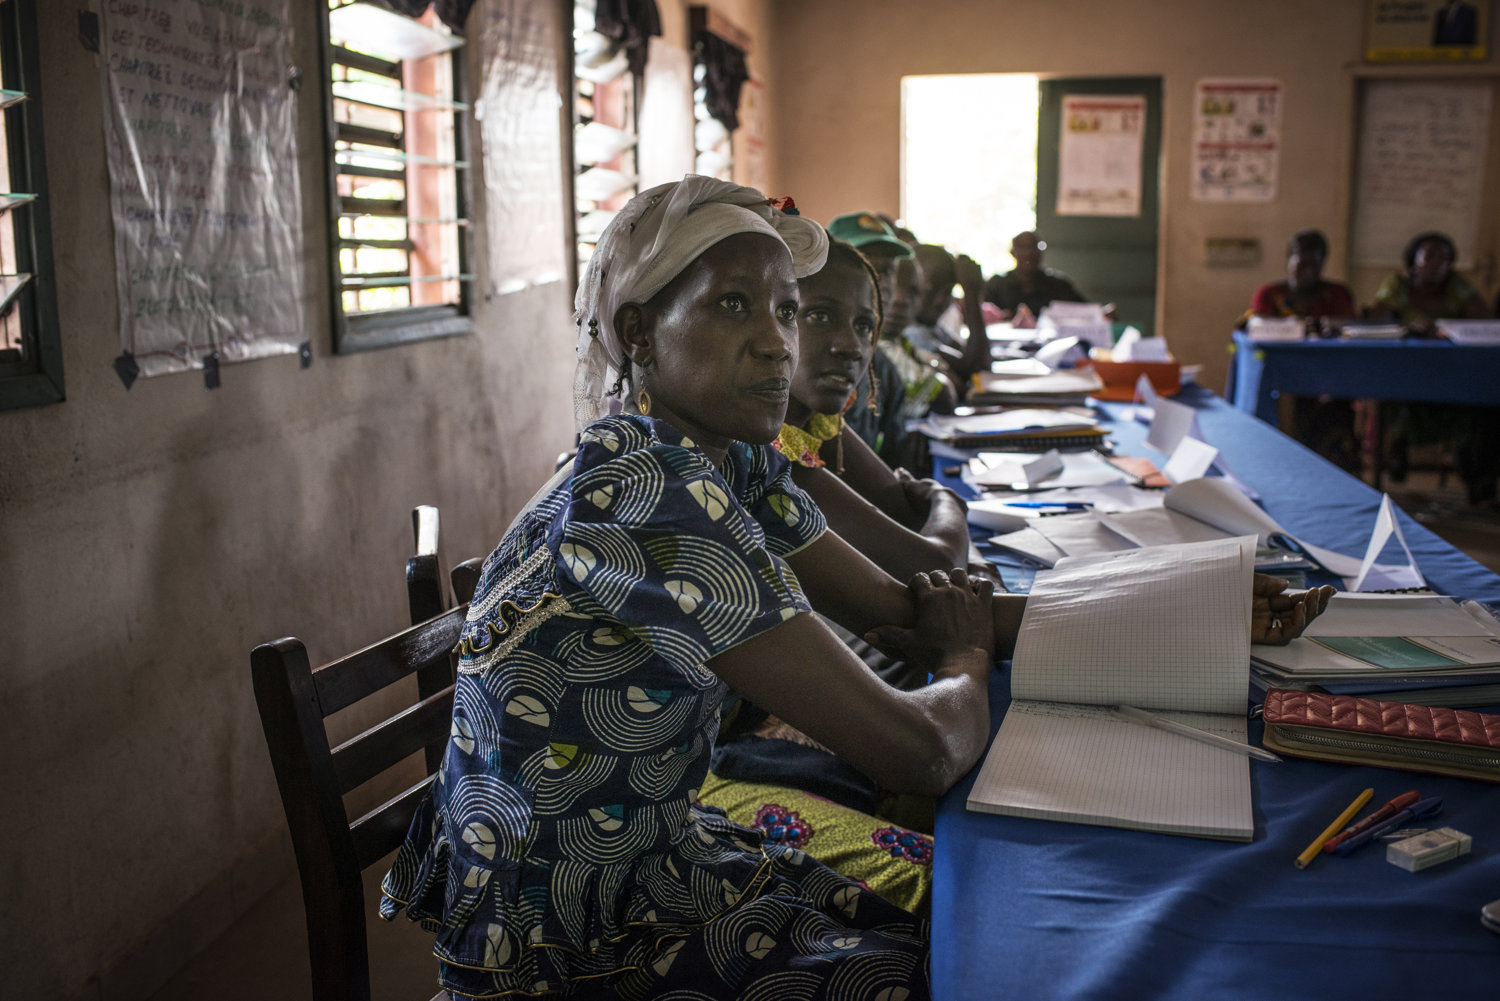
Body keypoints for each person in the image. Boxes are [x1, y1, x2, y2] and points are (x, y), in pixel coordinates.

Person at [379, 177, 1333, 999]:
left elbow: (895, 603)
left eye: (786, 309)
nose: (777, 342)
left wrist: (1179, 618)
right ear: (638, 332)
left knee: (954, 901)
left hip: (659, 854)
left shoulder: (729, 459)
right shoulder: (649, 496)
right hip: (571, 935)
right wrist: (964, 650)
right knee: (971, 957)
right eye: (733, 306)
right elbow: (919, 751)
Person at [1368, 231, 1496, 502]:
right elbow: (1377, 322)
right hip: (1405, 377)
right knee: (1395, 395)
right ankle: (1397, 454)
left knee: (1478, 405)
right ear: (1414, 260)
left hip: (1453, 377)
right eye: (1431, 256)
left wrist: (1445, 328)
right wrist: (1406, 327)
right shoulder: (1398, 286)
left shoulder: (1456, 287)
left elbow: (1485, 324)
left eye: (1446, 258)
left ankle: (1474, 475)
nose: (1438, 263)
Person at [1243, 229, 1360, 472]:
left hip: (1330, 374)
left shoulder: (1336, 294)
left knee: (1334, 410)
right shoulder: (1270, 295)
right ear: (1289, 261)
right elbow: (1257, 326)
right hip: (1283, 374)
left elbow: (1351, 324)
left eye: (1314, 263)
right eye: (1301, 262)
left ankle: (1332, 464)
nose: (1307, 269)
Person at [983, 230, 1089, 322]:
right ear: (1013, 252)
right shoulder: (997, 285)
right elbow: (982, 313)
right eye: (1023, 248)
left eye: (1034, 248)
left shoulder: (1059, 286)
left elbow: (1087, 313)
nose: (1029, 253)